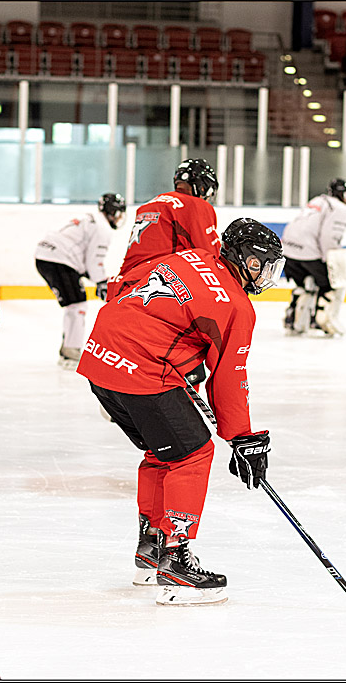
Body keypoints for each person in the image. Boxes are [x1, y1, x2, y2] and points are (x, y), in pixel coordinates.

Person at [78, 218, 284, 606]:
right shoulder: (237, 306)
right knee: (193, 454)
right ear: (242, 259)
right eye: (262, 264)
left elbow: (124, 286)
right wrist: (243, 438)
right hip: (141, 370)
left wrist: (167, 349)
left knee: (163, 451)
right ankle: (176, 563)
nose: (265, 274)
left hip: (99, 360)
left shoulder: (189, 256)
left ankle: (151, 549)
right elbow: (228, 378)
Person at [109, 158, 220, 386]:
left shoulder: (149, 205)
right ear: (204, 187)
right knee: (188, 358)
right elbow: (209, 256)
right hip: (158, 292)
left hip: (125, 289)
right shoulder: (196, 205)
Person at [35, 193, 126, 368]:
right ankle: (71, 351)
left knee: (74, 304)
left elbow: (84, 261)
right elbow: (94, 261)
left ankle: (68, 348)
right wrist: (101, 282)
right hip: (58, 260)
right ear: (112, 212)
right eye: (119, 213)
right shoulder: (103, 228)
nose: (119, 217)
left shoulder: (91, 219)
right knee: (77, 306)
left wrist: (98, 279)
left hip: (46, 257)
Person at [281, 178, 346, 337]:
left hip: (288, 251)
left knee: (304, 284)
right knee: (330, 285)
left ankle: (293, 317)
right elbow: (329, 237)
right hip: (309, 252)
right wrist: (330, 259)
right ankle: (322, 318)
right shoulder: (340, 208)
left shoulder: (318, 200)